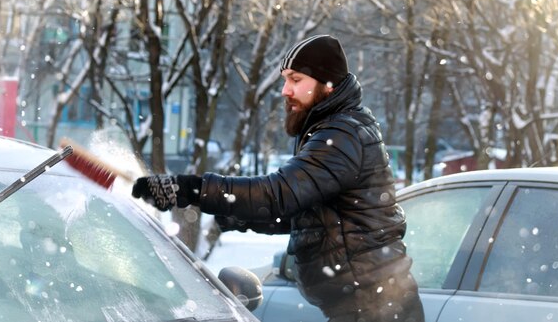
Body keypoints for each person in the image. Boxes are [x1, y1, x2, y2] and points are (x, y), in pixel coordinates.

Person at [132, 35, 425, 322]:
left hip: (376, 310)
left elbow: (279, 194)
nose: (285, 90)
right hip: (372, 305)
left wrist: (189, 189)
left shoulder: (342, 135)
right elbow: (306, 214)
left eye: (296, 80)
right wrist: (238, 215)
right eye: (285, 79)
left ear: (327, 85)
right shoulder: (335, 129)